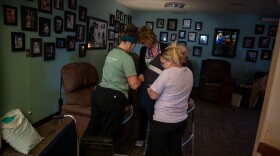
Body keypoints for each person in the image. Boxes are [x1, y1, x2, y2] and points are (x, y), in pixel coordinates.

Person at [83, 24, 144, 143]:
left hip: (98, 94)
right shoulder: (127, 58)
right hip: (113, 98)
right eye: (134, 46)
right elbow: (134, 85)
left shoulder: (111, 53)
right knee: (109, 134)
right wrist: (141, 78)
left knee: (93, 128)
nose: (133, 49)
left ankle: (82, 150)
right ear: (131, 43)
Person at [147, 42, 193, 156]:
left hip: (164, 121)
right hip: (181, 120)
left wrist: (149, 89)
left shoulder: (167, 73)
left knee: (157, 151)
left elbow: (153, 95)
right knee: (175, 150)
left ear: (171, 61)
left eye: (163, 63)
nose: (162, 66)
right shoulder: (189, 72)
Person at [135, 26, 168, 149]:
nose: (144, 44)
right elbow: (141, 69)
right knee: (143, 107)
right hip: (147, 82)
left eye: (144, 42)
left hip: (162, 83)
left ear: (150, 38)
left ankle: (156, 132)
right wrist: (139, 79)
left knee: (158, 108)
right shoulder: (144, 50)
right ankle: (142, 136)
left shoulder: (165, 48)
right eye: (142, 43)